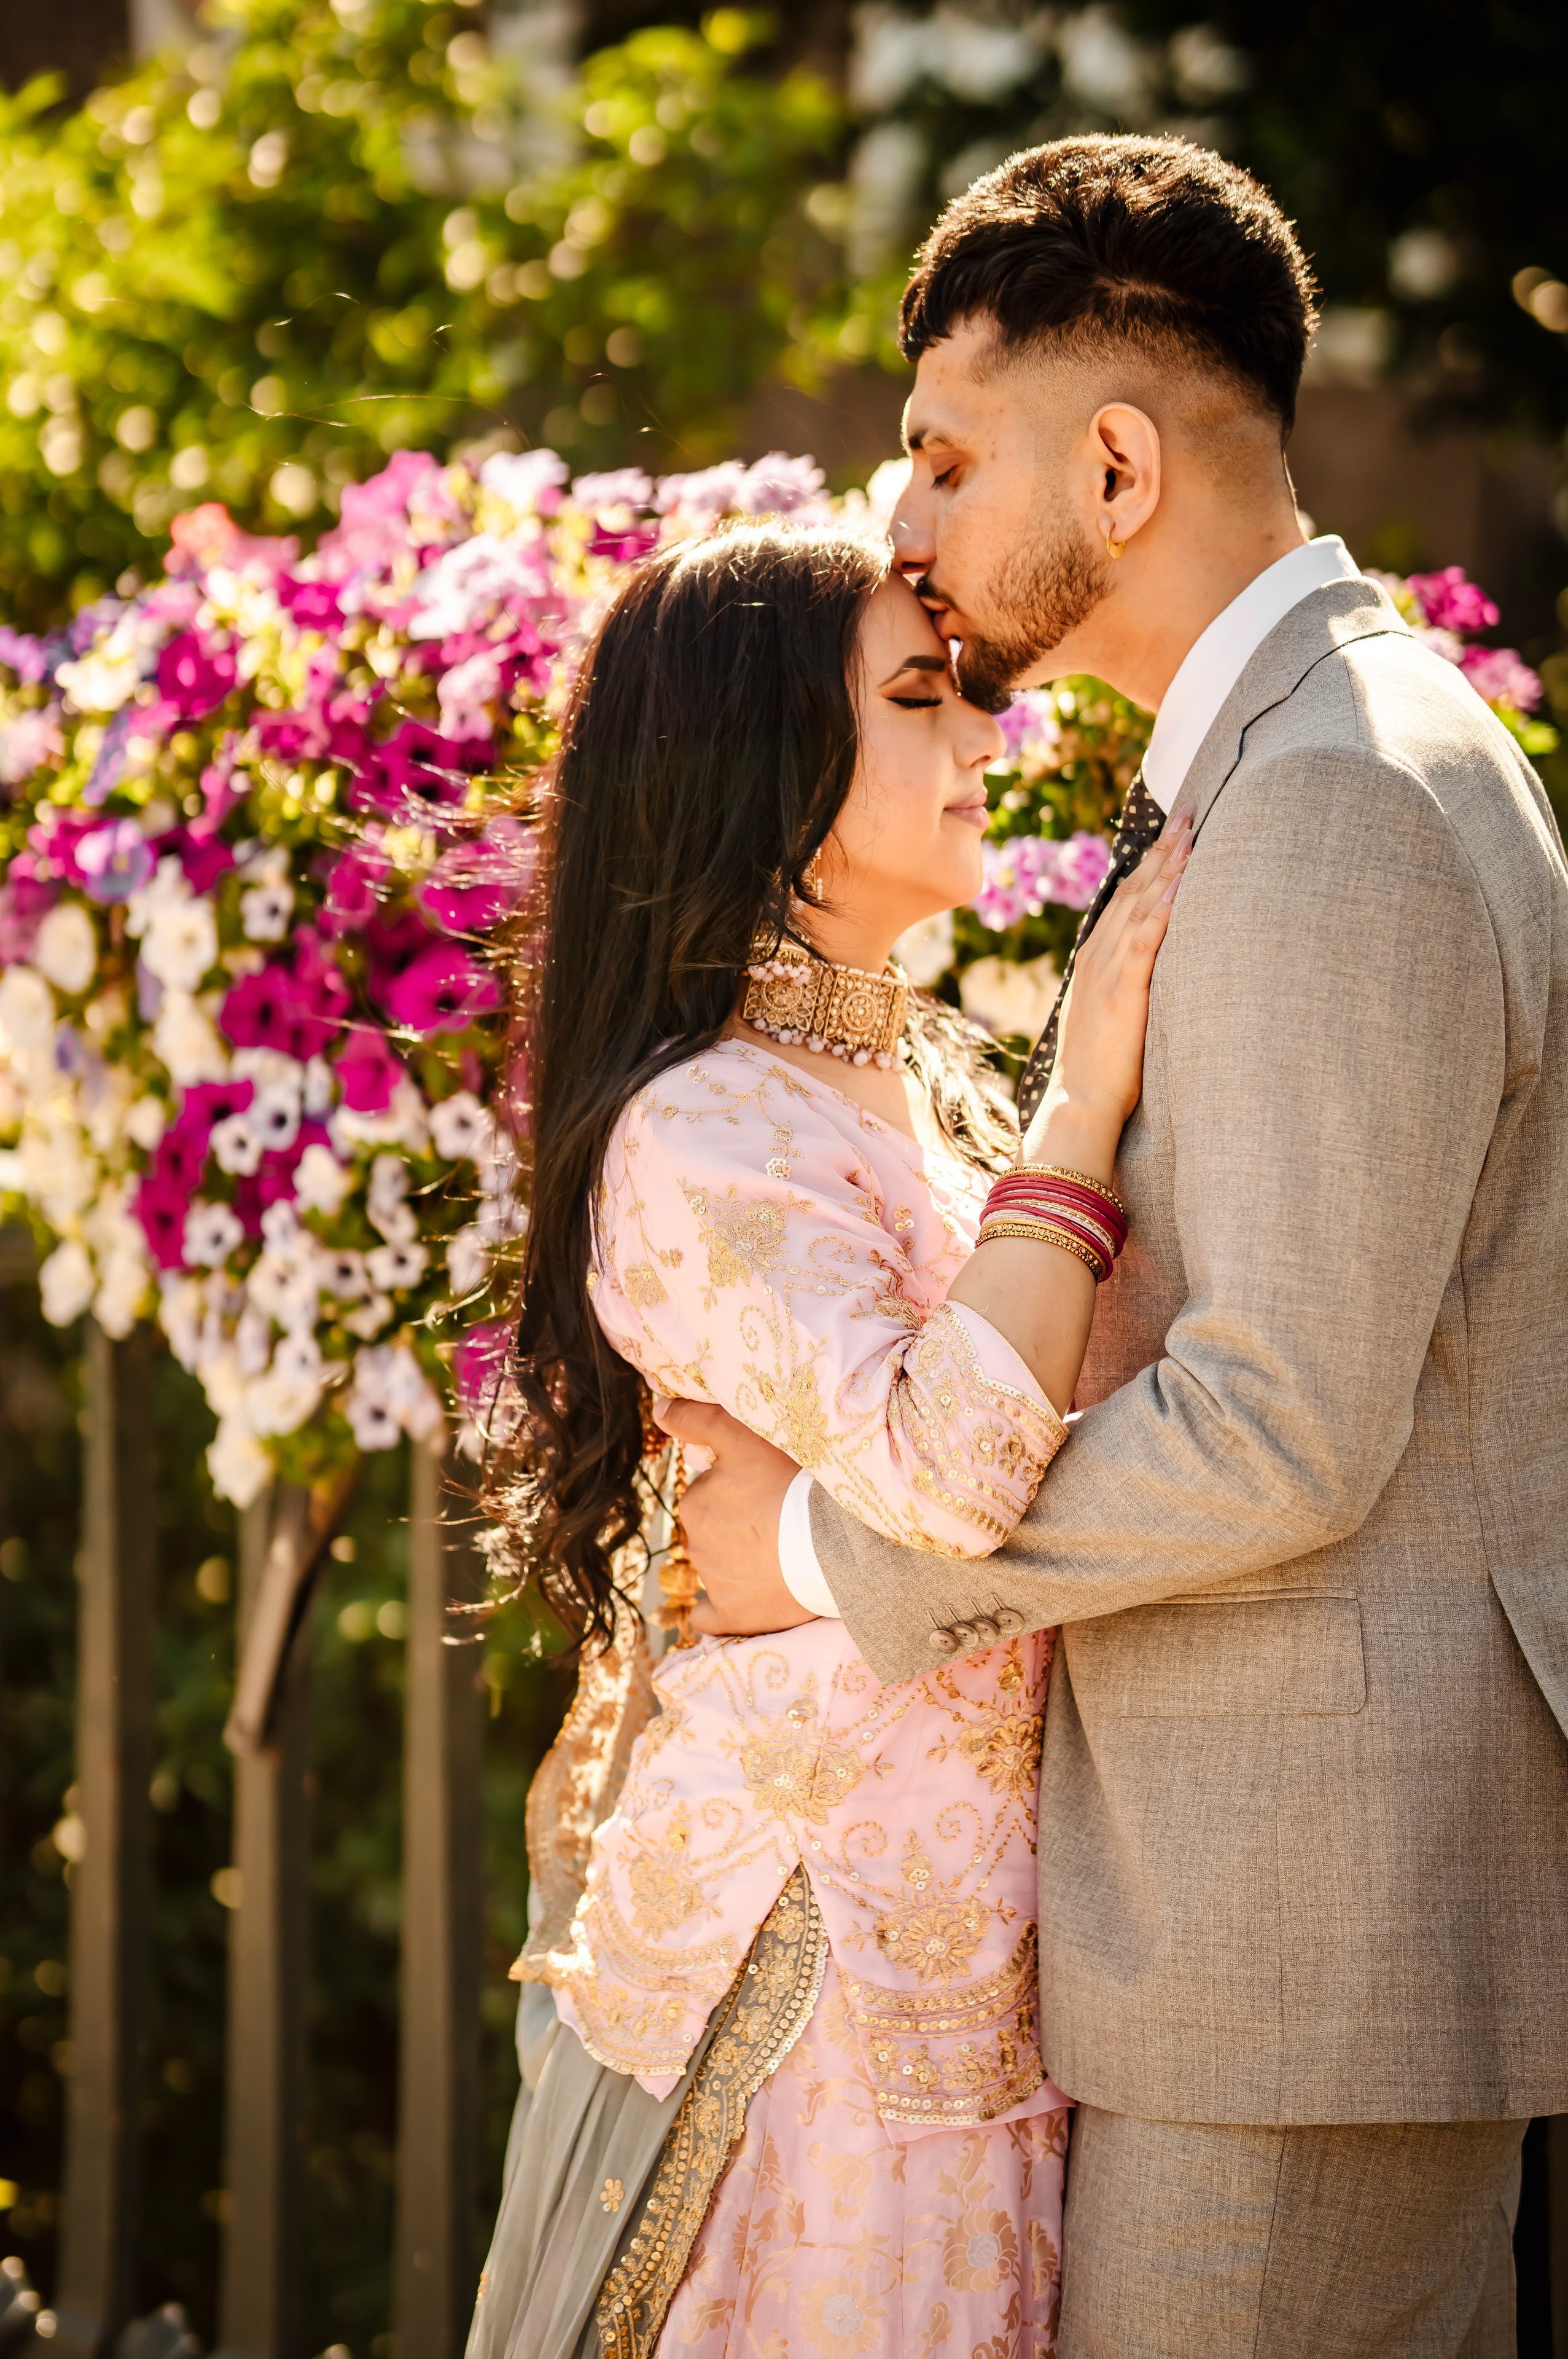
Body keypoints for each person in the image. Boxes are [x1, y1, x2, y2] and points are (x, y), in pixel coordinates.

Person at [665, 136, 1568, 2358]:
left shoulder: (1343, 792)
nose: (909, 529)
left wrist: (841, 1558)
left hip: (1303, 1948)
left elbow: (1280, 1429)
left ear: (1124, 464)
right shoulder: (1302, 754)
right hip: (1267, 1929)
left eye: (944, 459)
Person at [466, 518, 1187, 2359]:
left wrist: (791, 1554)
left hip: (966, 1973)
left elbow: (1003, 1445)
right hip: (817, 1989)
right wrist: (1089, 1092)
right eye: (924, 698)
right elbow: (953, 1476)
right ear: (762, 769)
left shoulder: (904, 1093)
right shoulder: (708, 1131)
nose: (985, 743)